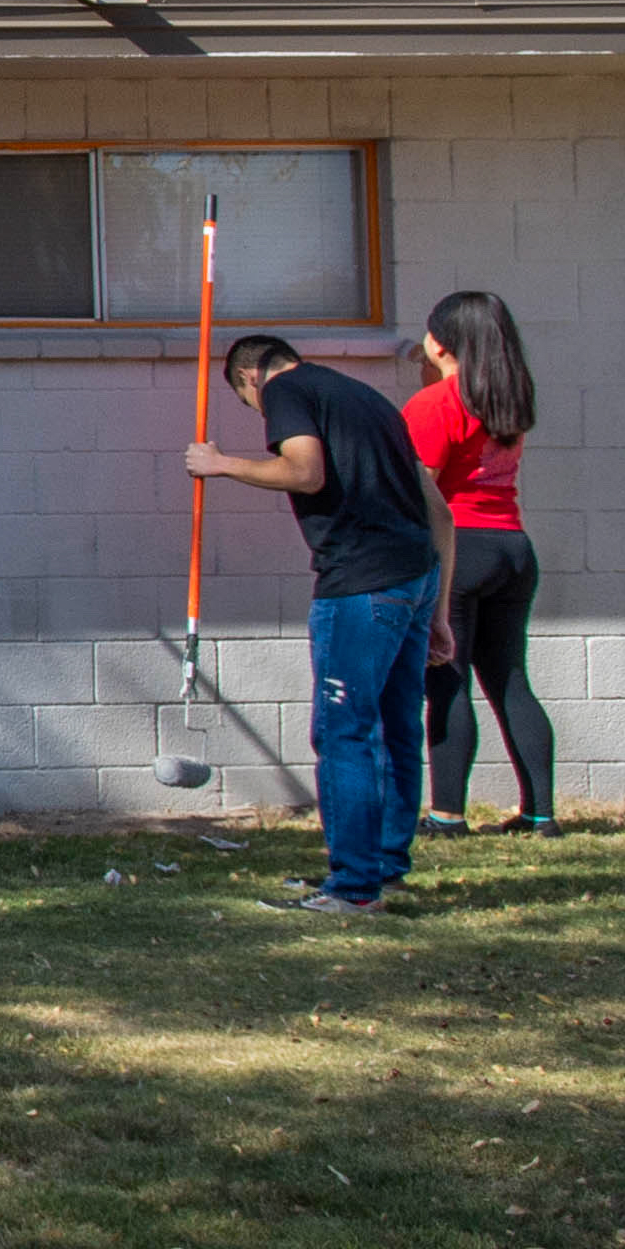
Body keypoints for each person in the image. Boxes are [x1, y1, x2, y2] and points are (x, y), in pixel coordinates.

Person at [188, 333, 449, 915]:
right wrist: (438, 606)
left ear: (250, 377)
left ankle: (354, 886)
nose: (260, 412)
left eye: (247, 401)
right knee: (399, 725)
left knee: (344, 731)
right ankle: (384, 866)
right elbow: (438, 507)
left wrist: (220, 464)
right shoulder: (366, 397)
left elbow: (305, 472)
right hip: (414, 575)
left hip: (360, 584)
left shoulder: (286, 388)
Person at [405, 289, 554, 836]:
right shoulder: (509, 400)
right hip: (512, 547)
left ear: (440, 344)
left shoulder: (435, 404)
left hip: (460, 550)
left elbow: (420, 491)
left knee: (447, 679)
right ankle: (541, 813)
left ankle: (447, 814)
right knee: (511, 681)